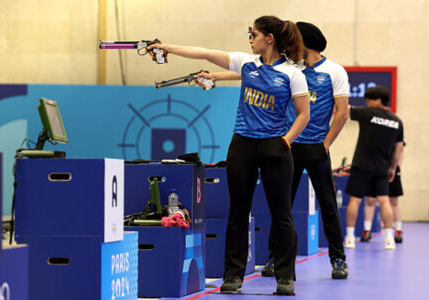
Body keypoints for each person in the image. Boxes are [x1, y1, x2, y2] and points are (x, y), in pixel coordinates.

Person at [148, 15, 310, 295]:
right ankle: (233, 276)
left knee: (282, 215)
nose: (250, 38)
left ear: (269, 39)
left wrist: (285, 141)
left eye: (254, 34)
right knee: (237, 212)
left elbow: (303, 115)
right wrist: (168, 48)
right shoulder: (247, 63)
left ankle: (285, 277)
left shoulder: (293, 74)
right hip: (242, 146)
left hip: (275, 147)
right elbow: (205, 53)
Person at [196, 21, 350, 279]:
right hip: (286, 145)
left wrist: (325, 144)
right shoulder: (292, 68)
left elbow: (343, 112)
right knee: (282, 206)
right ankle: (273, 257)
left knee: (327, 204)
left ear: (307, 43)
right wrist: (215, 76)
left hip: (316, 147)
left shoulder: (334, 71)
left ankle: (338, 259)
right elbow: (245, 72)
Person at [344, 86, 404, 250]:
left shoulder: (367, 114)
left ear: (377, 100)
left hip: (361, 166)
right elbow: (399, 148)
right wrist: (393, 167)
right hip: (382, 169)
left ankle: (349, 238)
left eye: (369, 100)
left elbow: (343, 108)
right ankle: (389, 239)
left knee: (355, 200)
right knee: (384, 201)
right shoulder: (397, 122)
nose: (367, 103)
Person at [361, 145, 405, 243]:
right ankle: (367, 231)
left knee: (394, 201)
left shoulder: (396, 130)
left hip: (391, 167)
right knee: (370, 200)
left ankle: (398, 230)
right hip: (373, 167)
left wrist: (396, 166)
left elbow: (400, 148)